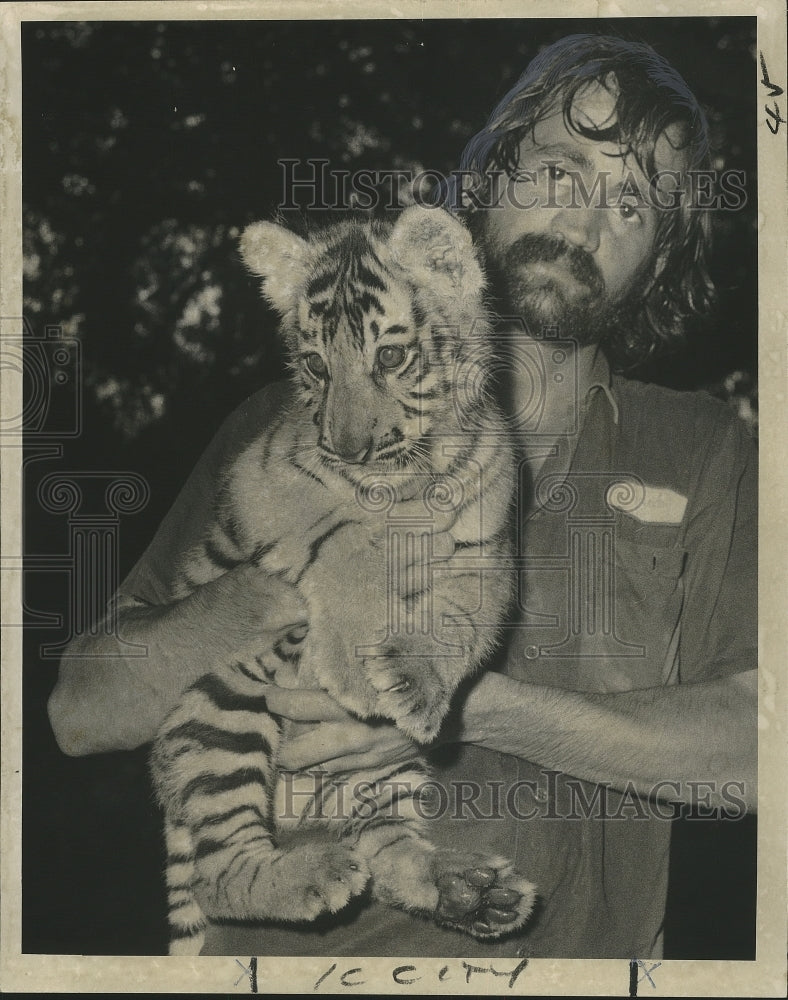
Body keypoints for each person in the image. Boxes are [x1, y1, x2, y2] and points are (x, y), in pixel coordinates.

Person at [47, 34, 757, 959]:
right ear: (489, 175)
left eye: (634, 202)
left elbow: (755, 756)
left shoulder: (706, 450)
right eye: (560, 168)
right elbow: (80, 711)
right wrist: (284, 580)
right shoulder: (291, 415)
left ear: (659, 258)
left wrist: (467, 700)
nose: (587, 220)